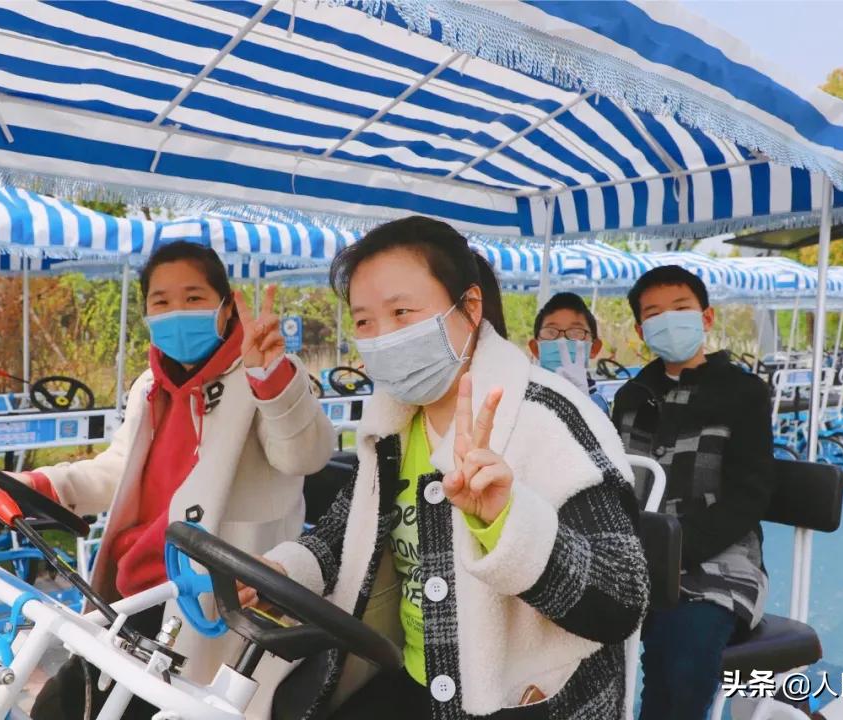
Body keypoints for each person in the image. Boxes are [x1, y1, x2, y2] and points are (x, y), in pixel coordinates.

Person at [249, 216, 649, 720]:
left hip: (521, 702)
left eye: (402, 312)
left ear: (470, 307)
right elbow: (341, 535)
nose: (381, 338)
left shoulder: (552, 419)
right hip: (410, 677)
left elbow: (620, 596)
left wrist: (506, 519)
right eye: (365, 321)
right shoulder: (390, 426)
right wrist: (283, 570)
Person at [12, 240, 336, 719]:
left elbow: (304, 455)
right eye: (160, 302)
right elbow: (119, 469)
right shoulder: (150, 386)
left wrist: (273, 378)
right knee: (62, 706)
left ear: (226, 308)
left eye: (193, 297)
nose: (176, 311)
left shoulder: (263, 380)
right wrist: (44, 484)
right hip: (132, 591)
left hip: (207, 599)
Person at [612, 265, 775, 720]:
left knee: (684, 656)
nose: (668, 320)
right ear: (643, 330)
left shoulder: (744, 392)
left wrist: (676, 552)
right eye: (654, 314)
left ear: (705, 318)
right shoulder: (632, 396)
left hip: (720, 564)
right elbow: (618, 482)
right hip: (637, 558)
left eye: (680, 308)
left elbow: (750, 493)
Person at [528, 291, 610, 414]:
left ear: (594, 348)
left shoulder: (599, 405)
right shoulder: (521, 397)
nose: (562, 340)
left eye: (576, 332)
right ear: (535, 348)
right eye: (551, 332)